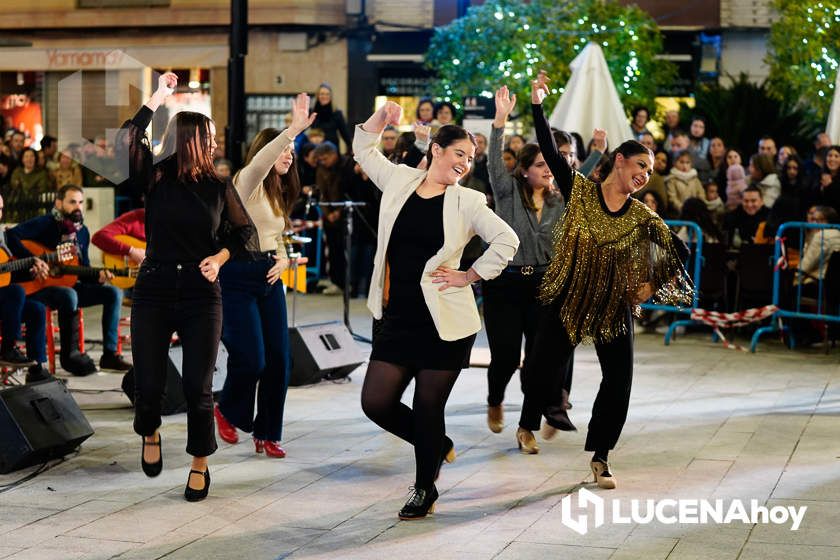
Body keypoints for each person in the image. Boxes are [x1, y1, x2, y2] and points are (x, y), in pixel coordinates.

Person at [524, 71, 692, 489]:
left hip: (614, 307)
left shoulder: (642, 216)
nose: (644, 175)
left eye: (650, 171)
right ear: (618, 161)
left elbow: (680, 251)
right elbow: (547, 147)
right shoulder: (580, 192)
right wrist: (537, 104)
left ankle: (601, 456)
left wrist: (652, 285)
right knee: (537, 374)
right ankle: (541, 412)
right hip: (569, 298)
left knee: (618, 382)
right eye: (640, 165)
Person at [354, 100, 518, 519]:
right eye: (459, 153)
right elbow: (363, 150)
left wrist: (470, 275)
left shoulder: (469, 201)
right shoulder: (400, 181)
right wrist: (381, 119)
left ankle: (424, 487)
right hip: (398, 316)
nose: (465, 162)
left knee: (429, 407)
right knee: (376, 402)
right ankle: (436, 445)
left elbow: (507, 241)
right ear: (436, 151)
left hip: (445, 323)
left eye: (472, 157)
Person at [120, 72, 258, 502]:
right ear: (192, 139)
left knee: (199, 386)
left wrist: (219, 259)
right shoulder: (155, 179)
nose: (216, 142)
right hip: (155, 288)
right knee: (149, 381)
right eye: (210, 136)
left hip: (201, 293)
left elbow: (243, 235)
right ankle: (150, 432)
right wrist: (159, 97)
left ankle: (200, 464)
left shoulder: (219, 187)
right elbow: (129, 135)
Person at [213, 93, 314, 459]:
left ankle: (268, 432)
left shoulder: (276, 193)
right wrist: (293, 130)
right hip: (237, 275)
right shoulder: (247, 181)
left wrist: (285, 260)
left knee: (279, 360)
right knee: (251, 358)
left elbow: (279, 235)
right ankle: (227, 409)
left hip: (269, 277)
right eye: (283, 152)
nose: (288, 156)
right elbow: (262, 161)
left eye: (291, 153)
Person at [484, 86, 578, 454]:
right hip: (505, 286)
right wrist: (500, 121)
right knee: (506, 357)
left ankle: (527, 427)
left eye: (550, 166)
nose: (548, 171)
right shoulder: (507, 193)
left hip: (546, 286)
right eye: (540, 165)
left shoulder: (561, 199)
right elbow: (493, 161)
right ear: (524, 170)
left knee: (539, 362)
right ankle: (494, 397)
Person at [6, 184, 131, 375]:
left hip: (66, 284)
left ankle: (109, 355)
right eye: (72, 202)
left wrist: (98, 277)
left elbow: (83, 271)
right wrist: (34, 260)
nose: (78, 207)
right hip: (38, 286)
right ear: (59, 203)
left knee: (113, 292)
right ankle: (69, 355)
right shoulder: (46, 223)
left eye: (80, 202)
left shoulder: (82, 232)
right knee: (69, 294)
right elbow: (11, 235)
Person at [0, 194, 50, 383]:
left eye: (1, 209)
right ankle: (7, 349)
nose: (0, 213)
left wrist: (31, 270)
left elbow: (6, 272)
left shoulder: (0, 235)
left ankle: (36, 369)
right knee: (16, 292)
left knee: (36, 309)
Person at [311, 83, 352, 152]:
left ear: (330, 96)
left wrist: (351, 147)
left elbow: (345, 134)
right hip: (316, 149)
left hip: (332, 150)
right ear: (318, 96)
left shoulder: (337, 113)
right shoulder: (312, 113)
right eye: (322, 94)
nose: (324, 96)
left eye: (327, 94)